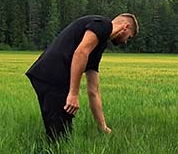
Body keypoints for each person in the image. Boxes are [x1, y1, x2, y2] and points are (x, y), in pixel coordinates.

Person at [26, 13, 138, 141]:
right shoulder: (104, 25)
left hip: (51, 77)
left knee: (63, 130)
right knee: (59, 136)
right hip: (52, 76)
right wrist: (73, 94)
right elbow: (80, 52)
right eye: (128, 37)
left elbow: (93, 91)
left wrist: (103, 127)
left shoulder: (98, 46)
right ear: (126, 27)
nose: (125, 42)